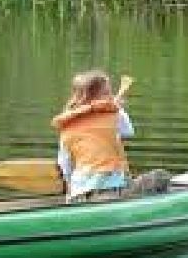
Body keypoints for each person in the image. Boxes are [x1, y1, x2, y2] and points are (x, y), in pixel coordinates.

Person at [51, 70, 135, 203]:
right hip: (110, 187)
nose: (111, 97)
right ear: (90, 97)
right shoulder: (114, 115)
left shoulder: (66, 124)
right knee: (159, 177)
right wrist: (118, 108)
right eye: (106, 93)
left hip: (79, 191)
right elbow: (128, 131)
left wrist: (69, 190)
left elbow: (64, 163)